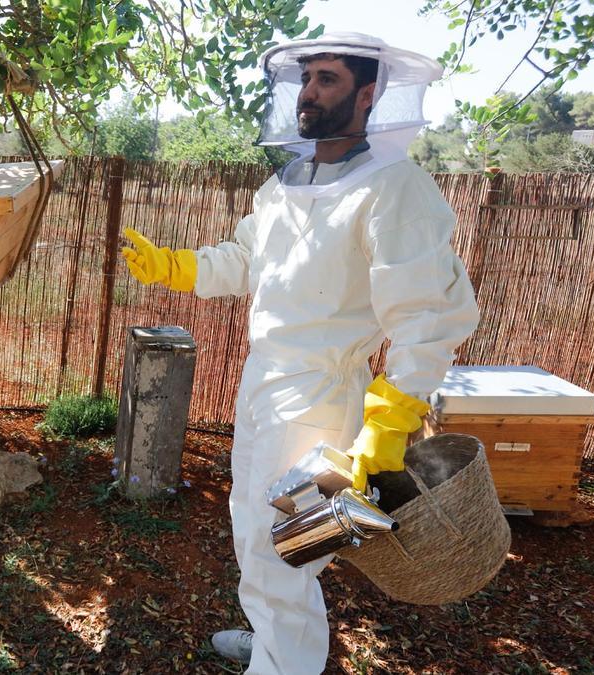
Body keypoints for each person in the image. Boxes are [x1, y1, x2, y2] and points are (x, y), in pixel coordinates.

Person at [120, 33, 480, 674]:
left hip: (321, 391)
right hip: (265, 381)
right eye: (308, 79)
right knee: (248, 523)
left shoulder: (395, 190)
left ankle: (284, 664)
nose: (310, 93)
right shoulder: (286, 184)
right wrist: (174, 265)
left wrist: (393, 416)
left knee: (284, 541)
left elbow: (428, 315)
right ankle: (273, 643)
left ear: (368, 95)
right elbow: (246, 260)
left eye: (329, 80)